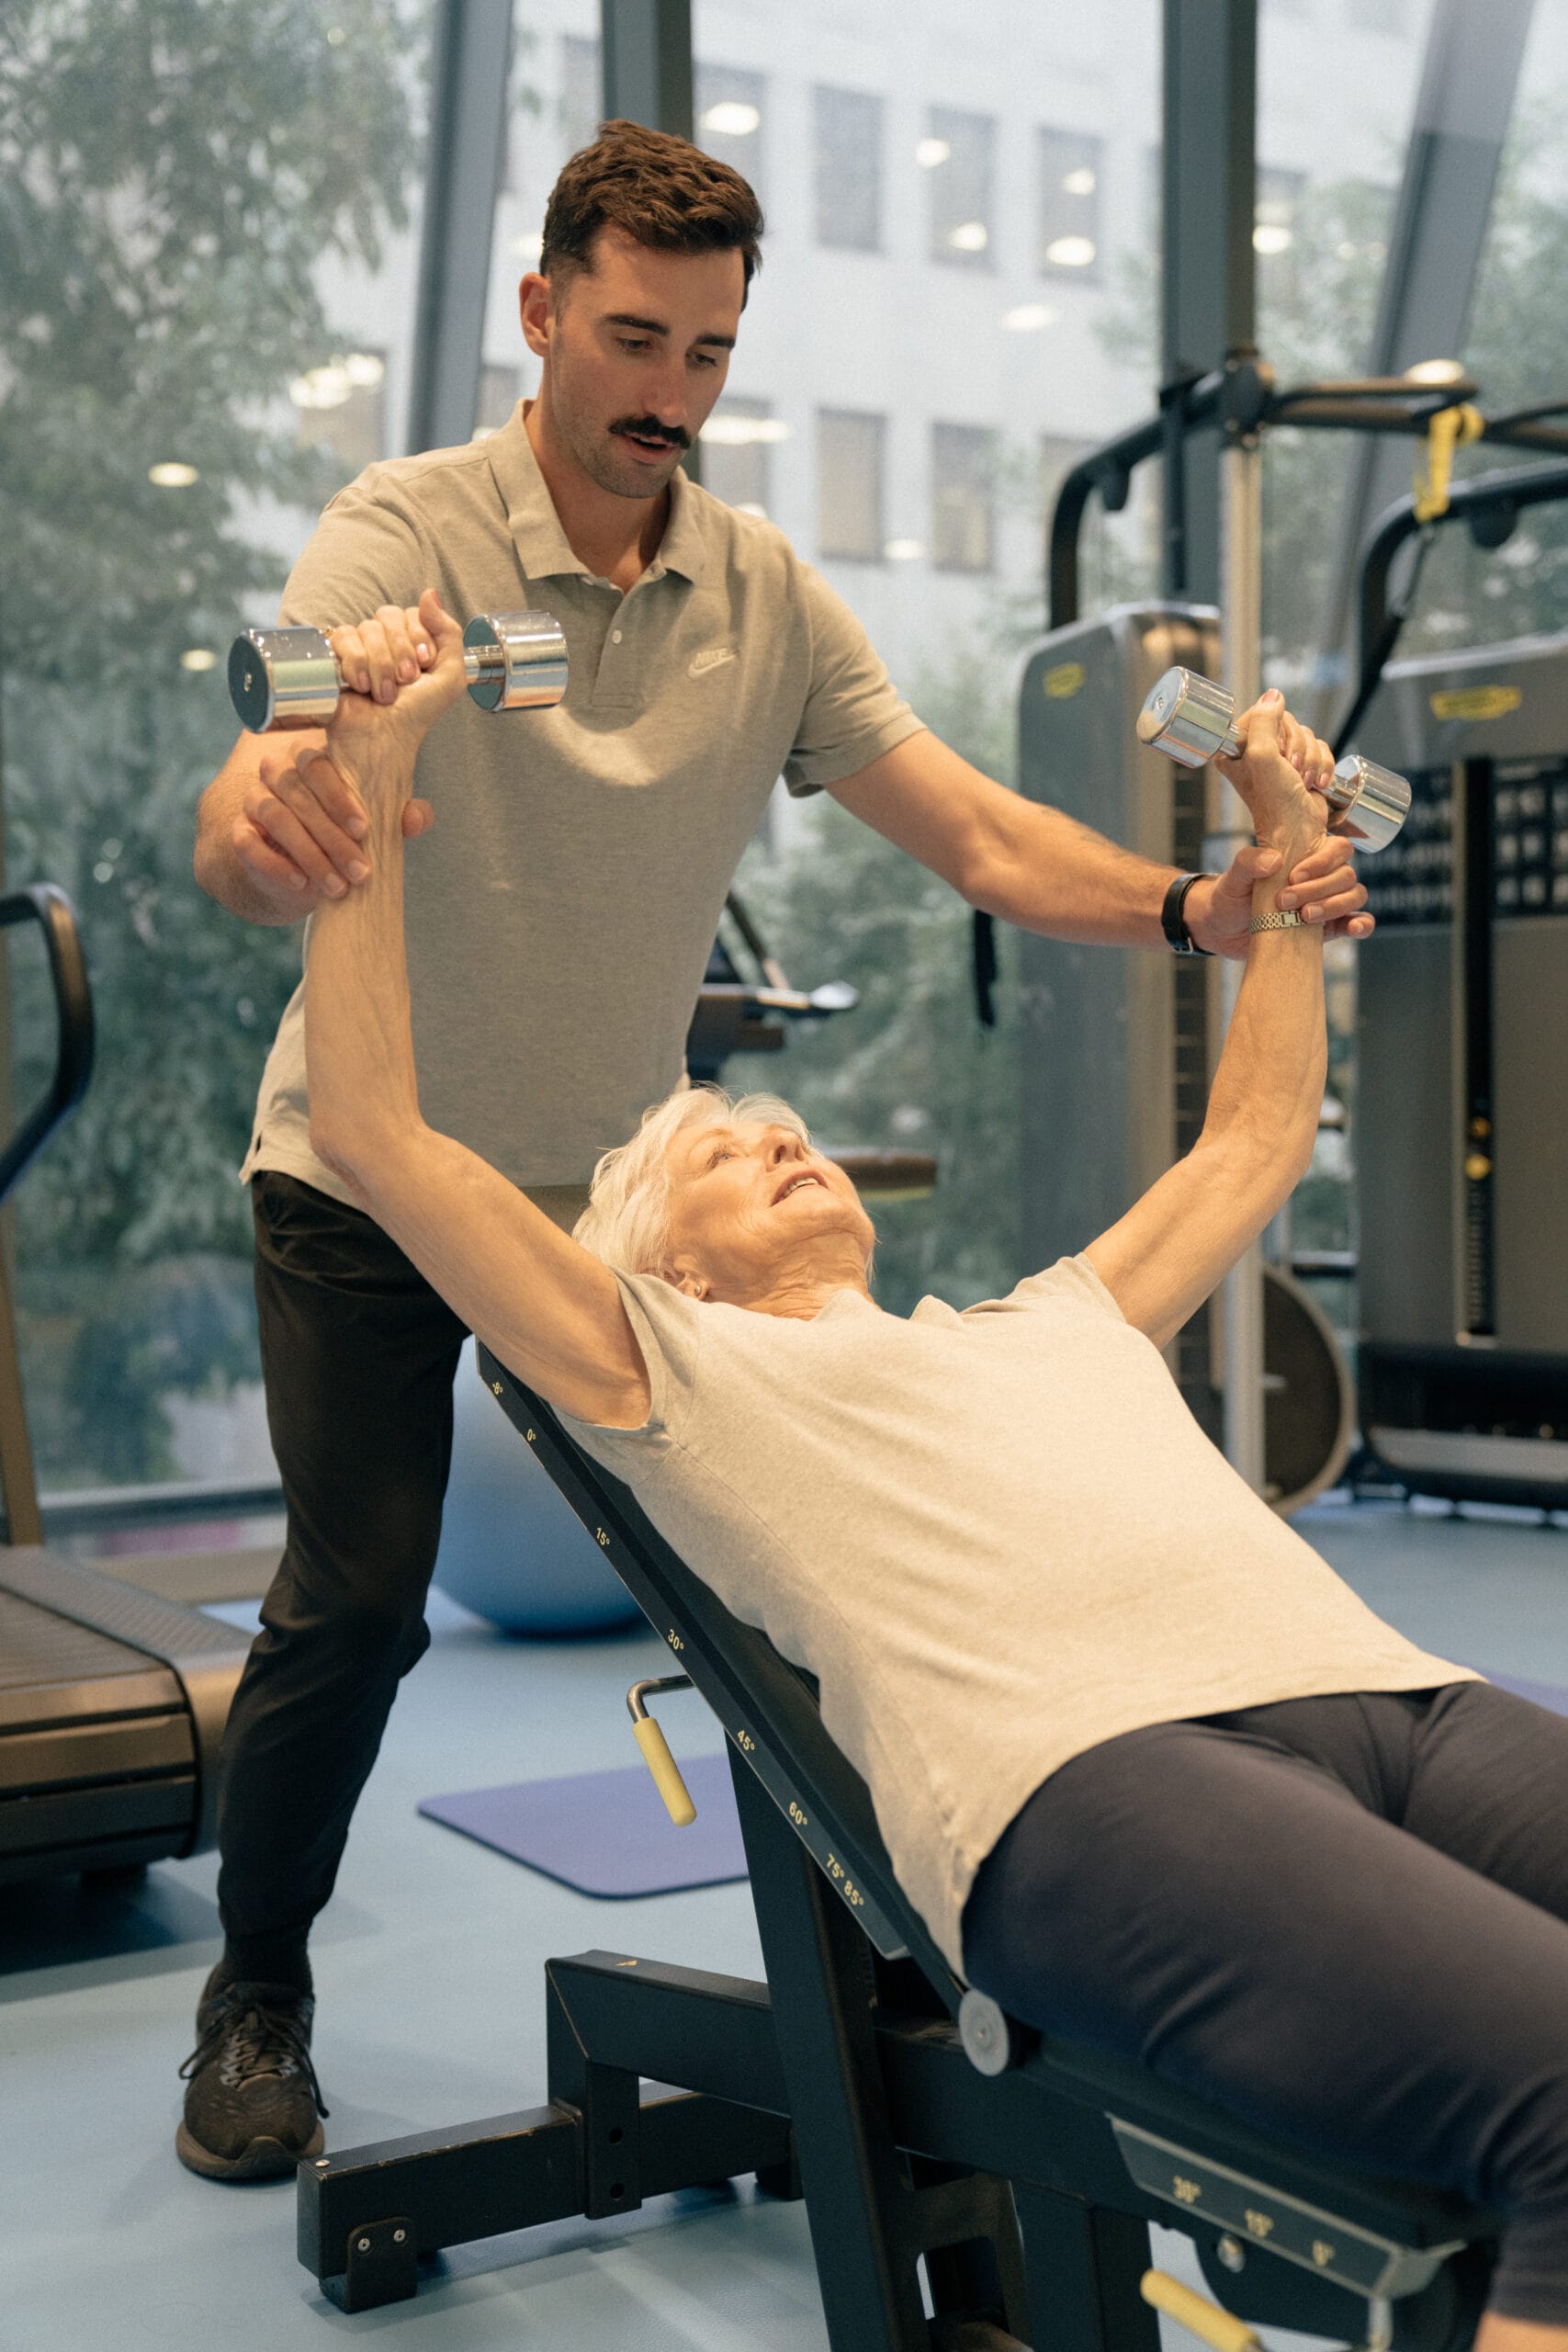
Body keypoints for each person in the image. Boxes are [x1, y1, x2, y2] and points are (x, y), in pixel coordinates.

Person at [183, 119, 1372, 2181]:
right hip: (373, 1169)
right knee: (362, 1590)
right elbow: (254, 788)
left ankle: (903, 1980)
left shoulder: (763, 596)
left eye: (709, 356)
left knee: (801, 1578)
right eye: (631, 338)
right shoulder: (408, 527)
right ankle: (258, 1985)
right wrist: (277, 811)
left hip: (628, 1197)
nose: (666, 395)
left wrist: (1198, 910)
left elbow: (982, 837)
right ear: (541, 311)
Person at [302, 599, 1568, 2350]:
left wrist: (1286, 876)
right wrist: (364, 778)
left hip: (1385, 1696)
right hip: (1093, 1779)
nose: (786, 1138)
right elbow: (374, 1130)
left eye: (785, 1128)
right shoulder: (663, 1365)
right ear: (667, 1270)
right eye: (733, 1156)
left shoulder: (1051, 1318)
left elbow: (1262, 1137)